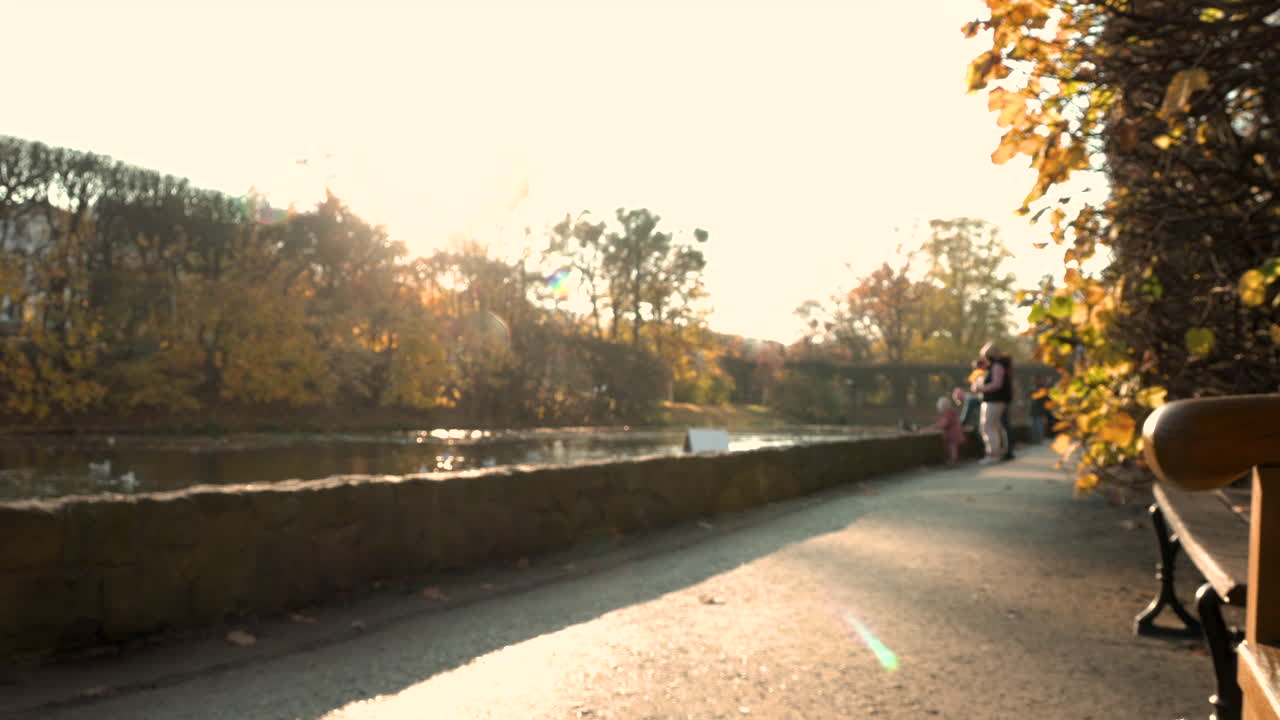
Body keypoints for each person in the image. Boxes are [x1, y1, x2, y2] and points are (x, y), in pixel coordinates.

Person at [970, 342, 1012, 464]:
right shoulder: (995, 366)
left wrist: (980, 388)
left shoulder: (997, 366)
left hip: (995, 400)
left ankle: (993, 454)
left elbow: (997, 384)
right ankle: (994, 453)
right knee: (988, 426)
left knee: (989, 427)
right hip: (991, 400)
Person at [933, 395, 966, 465]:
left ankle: (953, 460)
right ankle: (953, 459)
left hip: (953, 433)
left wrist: (936, 426)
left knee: (952, 446)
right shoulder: (952, 411)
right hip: (956, 431)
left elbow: (945, 423)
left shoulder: (948, 413)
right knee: (953, 446)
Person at [1029, 377, 1050, 444]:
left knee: (1038, 425)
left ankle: (1039, 440)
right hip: (1035, 411)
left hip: (1039, 411)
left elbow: (1046, 400)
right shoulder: (1036, 390)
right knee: (1035, 426)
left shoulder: (1042, 391)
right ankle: (1036, 440)